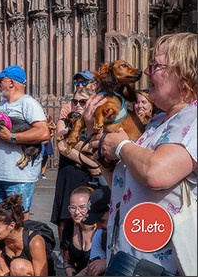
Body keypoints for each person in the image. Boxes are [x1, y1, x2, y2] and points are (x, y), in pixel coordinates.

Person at [91, 32, 196, 276]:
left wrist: (121, 146)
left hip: (161, 265)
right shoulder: (157, 121)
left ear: (183, 74)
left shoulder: (194, 117)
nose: (146, 72)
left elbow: (156, 173)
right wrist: (106, 159)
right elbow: (129, 184)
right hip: (129, 253)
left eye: (155, 66)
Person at [0, 65, 49, 209]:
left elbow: (43, 133)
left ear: (11, 82)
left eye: (1, 80)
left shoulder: (28, 103)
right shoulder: (2, 104)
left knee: (17, 218)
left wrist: (12, 136)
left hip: (19, 177)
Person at [52, 85, 96, 250]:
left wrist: (75, 145)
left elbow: (96, 148)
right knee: (65, 216)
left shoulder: (96, 123)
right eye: (74, 101)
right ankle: (65, 255)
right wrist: (91, 164)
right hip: (69, 173)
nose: (77, 105)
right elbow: (63, 147)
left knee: (87, 214)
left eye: (82, 102)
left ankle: (87, 250)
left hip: (87, 176)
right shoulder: (64, 122)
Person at [0, 195, 54, 276]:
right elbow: (2, 270)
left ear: (11, 226)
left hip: (25, 270)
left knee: (17, 266)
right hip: (12, 270)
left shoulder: (35, 241)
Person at [60, 186, 107, 276]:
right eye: (72, 207)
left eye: (82, 207)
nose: (77, 212)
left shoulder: (102, 229)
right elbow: (67, 261)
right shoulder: (69, 226)